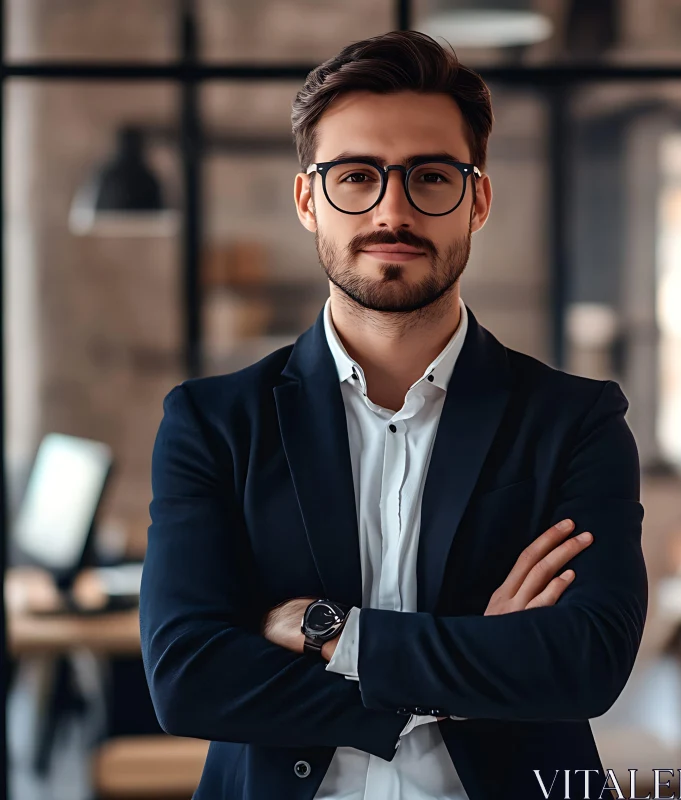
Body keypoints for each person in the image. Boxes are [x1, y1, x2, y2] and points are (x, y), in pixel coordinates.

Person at [139, 30, 648, 800]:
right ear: (309, 199)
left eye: (431, 177)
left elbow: (584, 664)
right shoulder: (213, 423)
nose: (393, 210)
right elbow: (189, 681)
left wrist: (334, 633)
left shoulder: (574, 421)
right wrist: (474, 666)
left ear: (476, 199)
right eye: (356, 176)